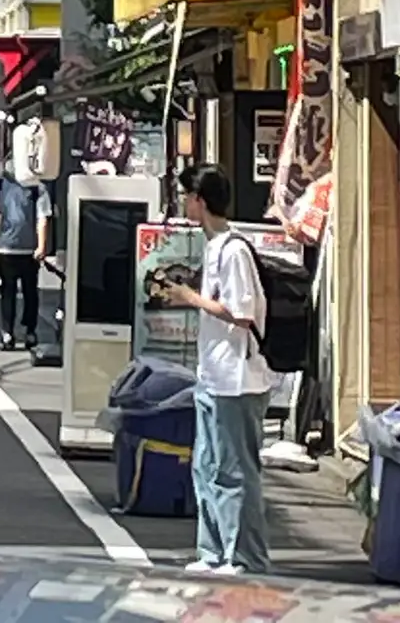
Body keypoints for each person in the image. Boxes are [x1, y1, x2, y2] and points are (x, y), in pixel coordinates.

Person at [165, 165, 273, 578]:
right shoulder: (214, 248)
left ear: (200, 200)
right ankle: (212, 552)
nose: (183, 204)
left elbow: (242, 313)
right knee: (206, 467)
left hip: (238, 379)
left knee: (235, 471)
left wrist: (190, 297)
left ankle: (245, 557)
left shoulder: (233, 251)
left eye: (186, 197)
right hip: (213, 373)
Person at [0, 160, 51, 352]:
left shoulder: (37, 188)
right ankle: (11, 332)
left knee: (23, 293)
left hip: (26, 250)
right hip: (7, 249)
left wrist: (41, 246)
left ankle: (24, 331)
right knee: (13, 293)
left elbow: (43, 219)